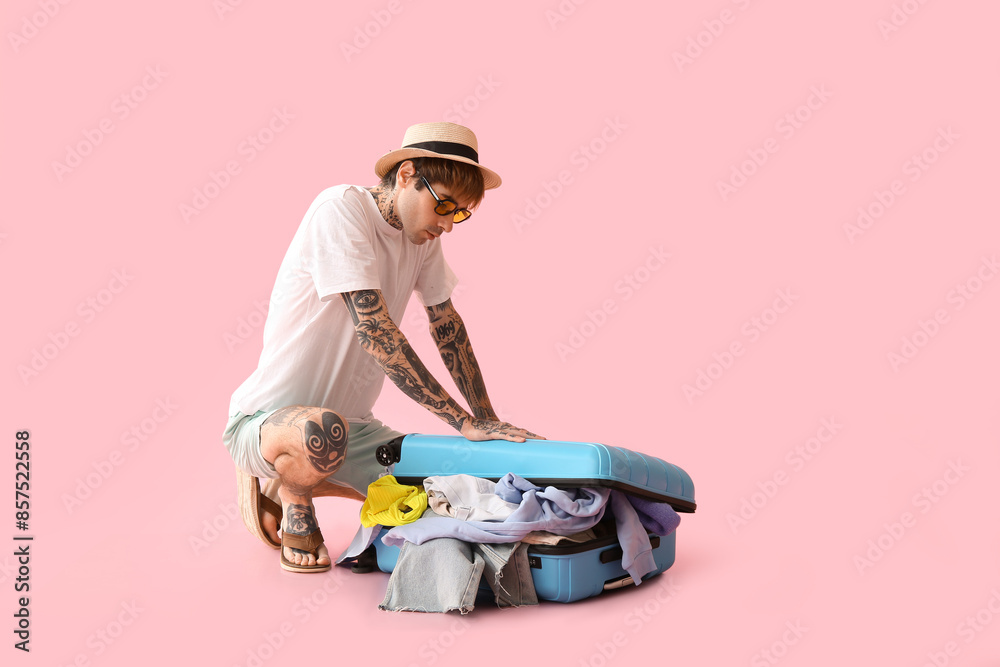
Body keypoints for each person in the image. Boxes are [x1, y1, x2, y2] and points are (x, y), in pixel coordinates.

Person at [223, 121, 541, 573]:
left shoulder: (420, 237)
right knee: (320, 430)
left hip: (355, 431)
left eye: (460, 213)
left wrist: (485, 418)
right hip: (271, 421)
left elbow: (447, 325)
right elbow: (378, 333)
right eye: (443, 205)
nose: (448, 224)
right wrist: (461, 420)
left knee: (444, 487)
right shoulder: (340, 210)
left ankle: (302, 476)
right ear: (408, 174)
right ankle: (293, 492)